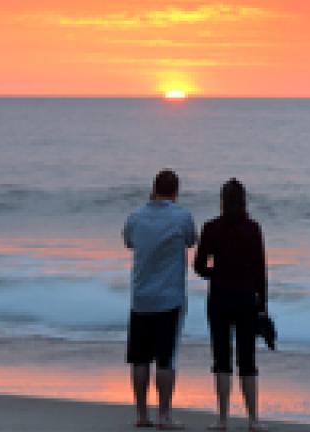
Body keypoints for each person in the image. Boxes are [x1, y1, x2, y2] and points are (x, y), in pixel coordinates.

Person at [123, 169, 196, 430]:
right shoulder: (182, 216)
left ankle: (142, 414)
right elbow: (191, 241)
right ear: (176, 192)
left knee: (140, 359)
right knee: (166, 359)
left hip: (141, 296)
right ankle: (164, 415)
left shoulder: (136, 216)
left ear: (153, 189)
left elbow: (129, 242)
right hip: (169, 297)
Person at [194, 178, 268, 432]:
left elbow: (199, 266)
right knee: (248, 359)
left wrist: (215, 273)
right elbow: (260, 271)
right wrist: (263, 306)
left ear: (222, 201)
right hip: (246, 298)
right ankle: (253, 420)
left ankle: (222, 420)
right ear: (244, 201)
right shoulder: (253, 228)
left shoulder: (211, 228)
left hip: (219, 298)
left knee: (221, 358)